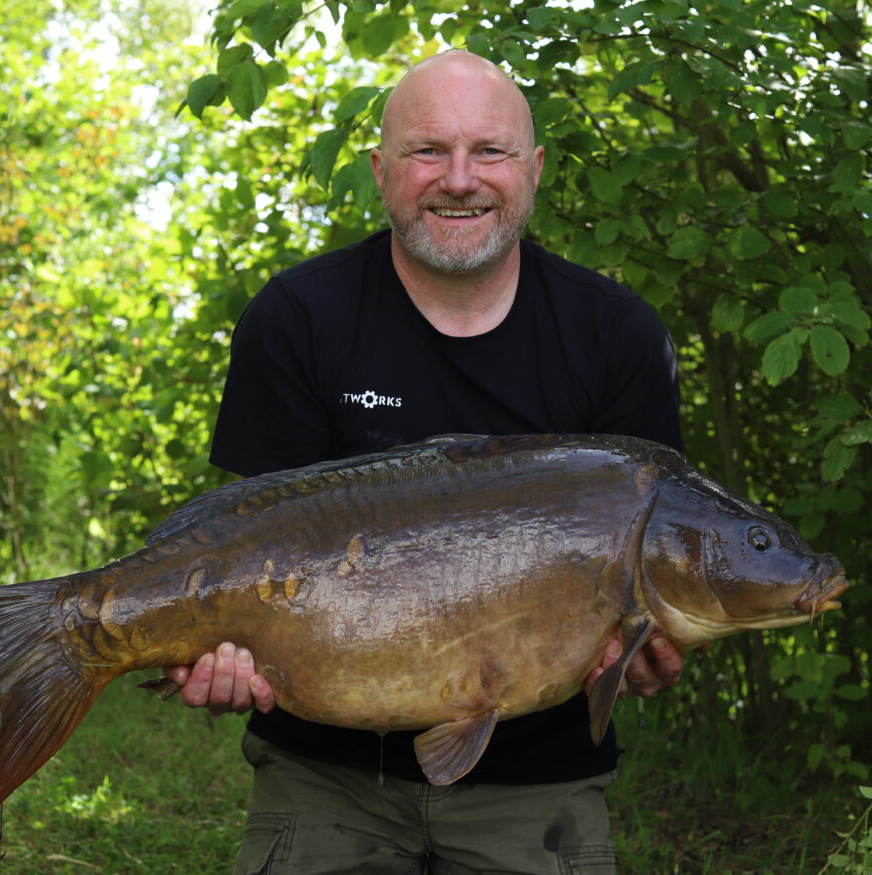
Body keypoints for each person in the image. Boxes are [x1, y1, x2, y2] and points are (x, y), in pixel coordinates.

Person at [163, 50, 688, 874]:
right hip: (322, 772)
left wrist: (637, 657)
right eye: (427, 151)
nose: (459, 179)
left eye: (489, 151)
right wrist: (216, 651)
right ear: (380, 170)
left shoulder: (619, 337)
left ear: (534, 169)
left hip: (539, 782)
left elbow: (643, 603)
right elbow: (245, 549)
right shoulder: (298, 316)